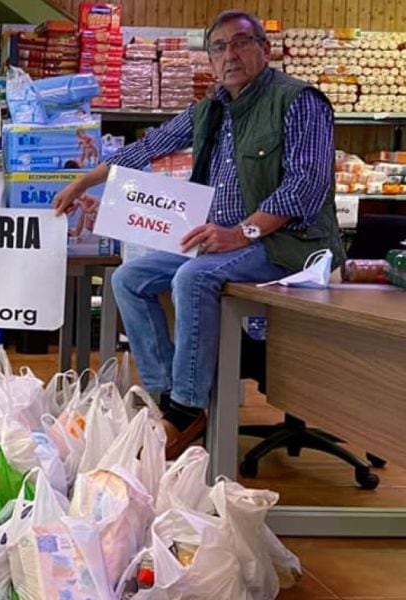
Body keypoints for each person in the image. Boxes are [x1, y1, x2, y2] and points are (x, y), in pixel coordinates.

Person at [52, 10, 344, 459]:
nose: (231, 54)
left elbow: (306, 184)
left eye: (242, 43)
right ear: (209, 58)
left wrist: (242, 232)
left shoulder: (298, 101)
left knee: (192, 277)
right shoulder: (211, 108)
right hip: (223, 242)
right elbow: (147, 148)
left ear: (264, 50)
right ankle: (166, 396)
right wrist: (81, 184)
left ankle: (187, 412)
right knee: (127, 279)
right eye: (220, 47)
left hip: (285, 245)